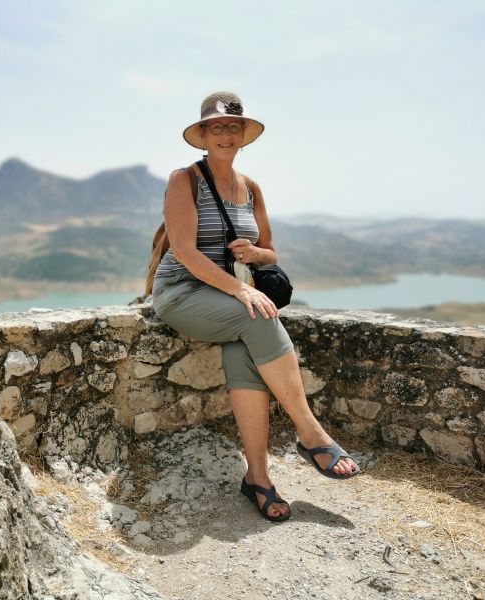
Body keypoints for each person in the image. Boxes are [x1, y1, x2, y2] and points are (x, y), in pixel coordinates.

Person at [152, 91, 359, 523]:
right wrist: (241, 290)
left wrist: (254, 254)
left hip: (227, 295)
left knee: (244, 348)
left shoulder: (251, 189)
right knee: (257, 314)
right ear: (203, 135)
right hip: (182, 292)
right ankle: (310, 432)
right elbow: (187, 253)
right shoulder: (184, 180)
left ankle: (258, 480)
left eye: (232, 127)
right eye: (216, 127)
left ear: (243, 136)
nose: (225, 134)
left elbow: (271, 253)